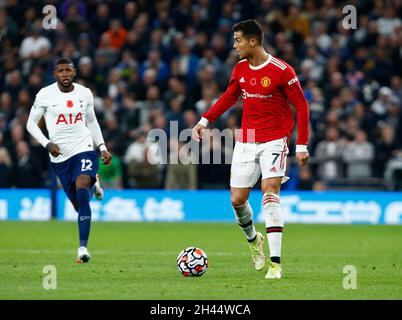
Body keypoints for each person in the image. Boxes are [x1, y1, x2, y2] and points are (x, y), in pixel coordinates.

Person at [192, 19, 309, 279]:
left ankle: (276, 264)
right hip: (246, 140)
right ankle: (254, 240)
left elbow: (301, 106)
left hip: (275, 140)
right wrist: (204, 120)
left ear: (253, 41)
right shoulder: (241, 68)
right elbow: (230, 96)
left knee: (270, 193)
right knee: (237, 200)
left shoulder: (282, 70)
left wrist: (301, 144)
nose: (235, 45)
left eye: (238, 40)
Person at [27, 57, 112, 263]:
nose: (64, 74)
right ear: (55, 74)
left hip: (84, 148)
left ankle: (83, 247)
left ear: (74, 72)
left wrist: (102, 147)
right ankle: (95, 184)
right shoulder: (45, 95)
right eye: (60, 71)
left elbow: (91, 121)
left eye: (68, 70)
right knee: (79, 204)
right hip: (60, 156)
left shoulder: (84, 93)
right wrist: (47, 143)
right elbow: (30, 124)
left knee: (82, 186)